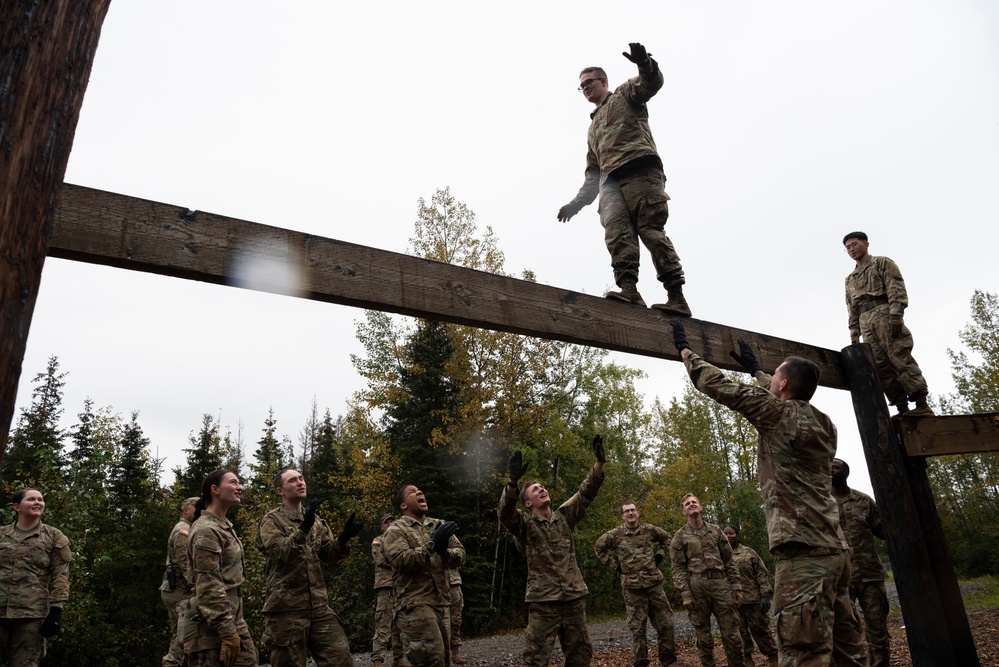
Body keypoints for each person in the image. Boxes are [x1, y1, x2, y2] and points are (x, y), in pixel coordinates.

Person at [668, 320, 867, 666]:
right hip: (836, 552)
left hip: (803, 555)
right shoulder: (825, 424)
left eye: (775, 376)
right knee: (848, 651)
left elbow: (721, 386)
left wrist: (687, 352)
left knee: (803, 650)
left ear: (784, 384)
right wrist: (758, 369)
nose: (770, 380)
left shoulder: (775, 415)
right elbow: (780, 393)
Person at [557, 42, 691, 317]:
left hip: (640, 171)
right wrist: (576, 204)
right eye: (580, 86)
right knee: (618, 236)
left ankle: (676, 296)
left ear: (603, 81)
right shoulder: (592, 128)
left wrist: (645, 63)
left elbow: (651, 83)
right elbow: (592, 174)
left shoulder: (624, 95)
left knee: (651, 231)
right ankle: (629, 290)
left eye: (588, 82)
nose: (585, 88)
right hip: (610, 184)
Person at [498, 436, 606, 667]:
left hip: (574, 599)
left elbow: (586, 493)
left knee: (580, 656)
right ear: (527, 503)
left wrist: (599, 463)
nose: (542, 489)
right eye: (536, 490)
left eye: (542, 487)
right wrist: (513, 482)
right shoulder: (525, 525)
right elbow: (505, 514)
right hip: (543, 603)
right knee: (535, 659)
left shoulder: (564, 517)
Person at [255, 469, 363, 667]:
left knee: (340, 659)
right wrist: (303, 529)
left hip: (319, 606)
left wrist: (344, 539)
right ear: (280, 491)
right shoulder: (271, 520)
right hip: (286, 609)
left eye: (301, 478)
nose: (300, 482)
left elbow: (328, 555)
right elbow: (279, 554)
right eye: (293, 480)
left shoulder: (316, 520)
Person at [843, 231, 933, 416]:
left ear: (866, 244)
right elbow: (851, 306)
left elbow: (896, 287)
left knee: (900, 357)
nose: (851, 249)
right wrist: (854, 332)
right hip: (865, 321)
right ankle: (901, 407)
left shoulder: (882, 263)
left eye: (854, 244)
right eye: (848, 247)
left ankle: (921, 404)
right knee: (880, 367)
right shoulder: (850, 279)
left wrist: (896, 315)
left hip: (885, 315)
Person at [381, 485, 463, 667]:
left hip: (442, 603)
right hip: (414, 604)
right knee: (431, 660)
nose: (419, 493)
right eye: (412, 492)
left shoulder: (438, 525)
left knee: (443, 660)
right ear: (403, 506)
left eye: (420, 491)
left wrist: (445, 552)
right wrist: (432, 545)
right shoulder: (395, 530)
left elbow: (461, 554)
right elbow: (401, 561)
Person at [184, 469, 258, 667]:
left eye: (239, 483)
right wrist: (227, 632)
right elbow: (208, 585)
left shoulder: (222, 525)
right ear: (215, 489)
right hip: (212, 626)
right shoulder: (207, 530)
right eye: (233, 482)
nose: (239, 487)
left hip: (230, 619)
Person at [594, 502, 676, 667]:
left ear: (637, 513)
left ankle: (668, 661)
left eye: (633, 510)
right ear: (623, 516)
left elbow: (667, 540)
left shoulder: (650, 530)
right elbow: (599, 548)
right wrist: (614, 565)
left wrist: (660, 555)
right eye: (626, 511)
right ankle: (640, 662)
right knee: (637, 629)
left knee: (666, 624)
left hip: (653, 585)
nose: (630, 513)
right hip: (632, 588)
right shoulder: (615, 534)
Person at [669, 494, 745, 667]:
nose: (691, 505)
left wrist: (737, 587)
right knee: (704, 637)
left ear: (700, 507)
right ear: (683, 511)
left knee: (732, 635)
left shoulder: (716, 531)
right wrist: (686, 593)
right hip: (697, 588)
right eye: (687, 504)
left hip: (721, 585)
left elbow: (729, 561)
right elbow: (678, 568)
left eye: (694, 502)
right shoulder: (680, 537)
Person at [0, 488, 70, 666]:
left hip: (31, 617)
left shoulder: (53, 536)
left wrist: (56, 612)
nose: (38, 502)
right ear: (17, 507)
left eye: (40, 499)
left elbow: (60, 575)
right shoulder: (1, 534)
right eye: (31, 499)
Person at [832, 458, 890, 667]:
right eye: (828, 466)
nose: (831, 469)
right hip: (839, 578)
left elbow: (885, 531)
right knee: (844, 629)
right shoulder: (821, 503)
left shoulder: (864, 501)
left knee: (877, 628)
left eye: (836, 466)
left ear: (846, 472)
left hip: (870, 574)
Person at [723, 525, 778, 667]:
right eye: (726, 534)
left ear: (737, 535)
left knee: (761, 630)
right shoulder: (719, 556)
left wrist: (765, 594)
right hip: (733, 602)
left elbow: (761, 574)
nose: (729, 536)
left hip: (753, 599)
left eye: (731, 533)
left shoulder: (749, 553)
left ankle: (773, 657)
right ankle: (747, 659)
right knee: (740, 634)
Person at [160, 496, 200, 667]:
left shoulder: (188, 529)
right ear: (186, 510)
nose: (199, 511)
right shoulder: (183, 531)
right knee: (184, 635)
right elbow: (184, 564)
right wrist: (198, 585)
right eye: (195, 508)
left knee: (180, 632)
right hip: (180, 591)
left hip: (176, 589)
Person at [371, 514, 404, 667]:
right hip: (386, 586)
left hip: (401, 585)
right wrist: (398, 559)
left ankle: (399, 658)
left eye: (392, 521)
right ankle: (378, 660)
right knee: (383, 622)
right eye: (386, 522)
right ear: (381, 526)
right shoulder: (378, 540)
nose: (390, 524)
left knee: (401, 624)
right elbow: (380, 560)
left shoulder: (399, 539)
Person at [447, 563, 464, 665]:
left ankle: (455, 651)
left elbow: (461, 557)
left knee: (455, 619)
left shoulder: (452, 546)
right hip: (432, 583)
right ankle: (443, 652)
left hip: (452, 581)